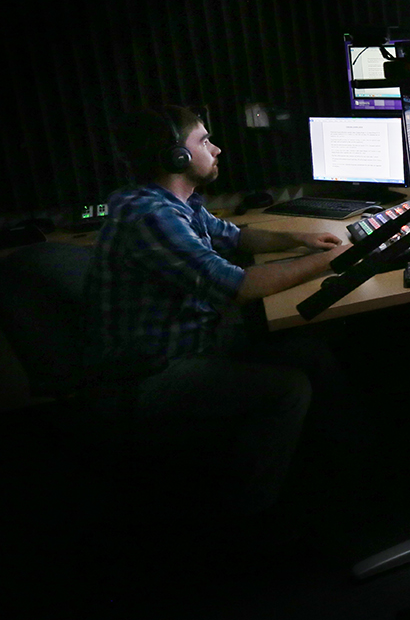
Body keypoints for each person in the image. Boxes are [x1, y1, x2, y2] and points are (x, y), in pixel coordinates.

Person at [85, 105, 354, 517]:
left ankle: (337, 471)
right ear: (177, 156)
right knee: (289, 388)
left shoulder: (173, 201)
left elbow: (236, 238)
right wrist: (336, 261)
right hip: (152, 372)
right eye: (204, 141)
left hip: (195, 338)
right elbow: (239, 287)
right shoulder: (151, 216)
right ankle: (249, 516)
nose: (217, 148)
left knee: (310, 351)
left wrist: (302, 238)